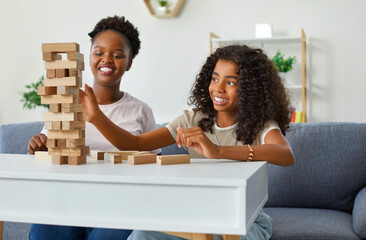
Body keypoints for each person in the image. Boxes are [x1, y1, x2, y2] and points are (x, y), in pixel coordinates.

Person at [80, 44, 295, 240]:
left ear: (251, 90)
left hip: (245, 221)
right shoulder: (194, 120)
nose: (218, 88)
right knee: (142, 234)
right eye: (214, 78)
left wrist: (218, 151)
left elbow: (285, 154)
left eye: (231, 82)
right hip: (198, 214)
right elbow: (134, 143)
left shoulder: (261, 125)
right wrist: (97, 117)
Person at [28, 15, 159, 240]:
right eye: (99, 53)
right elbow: (46, 146)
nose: (106, 59)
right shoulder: (67, 104)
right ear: (88, 58)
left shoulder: (140, 111)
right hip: (66, 201)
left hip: (118, 206)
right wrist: (38, 144)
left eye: (117, 55)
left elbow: (154, 166)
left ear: (129, 63)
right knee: (43, 232)